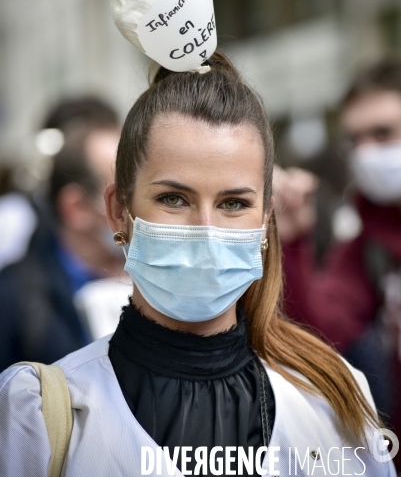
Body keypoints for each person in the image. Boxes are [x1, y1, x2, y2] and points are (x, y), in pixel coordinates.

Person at [0, 51, 395, 476]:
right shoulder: (42, 416)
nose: (205, 230)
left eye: (233, 203)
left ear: (265, 221)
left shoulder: (334, 400)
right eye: (174, 199)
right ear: (119, 212)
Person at [276, 58, 401, 459]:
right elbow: (323, 334)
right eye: (354, 139)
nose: (366, 153)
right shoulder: (369, 238)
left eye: (383, 133)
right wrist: (294, 239)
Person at [0, 120, 123, 371]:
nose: (139, 213)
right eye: (122, 197)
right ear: (76, 207)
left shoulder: (158, 280)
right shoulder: (15, 296)